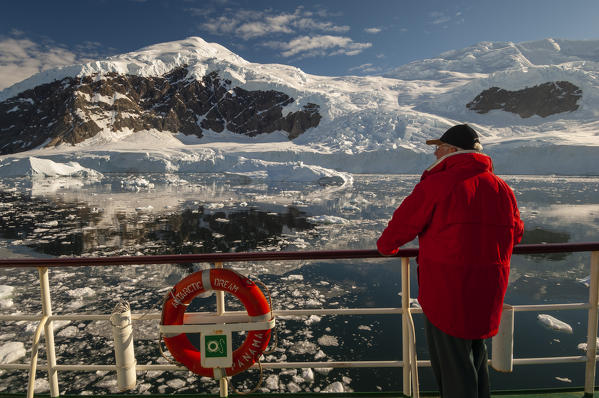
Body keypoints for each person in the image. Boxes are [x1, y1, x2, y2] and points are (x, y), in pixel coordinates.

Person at [377, 124, 524, 398]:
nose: (434, 154)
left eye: (439, 148)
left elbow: (401, 227)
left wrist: (387, 247)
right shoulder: (502, 188)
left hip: (449, 291)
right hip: (488, 289)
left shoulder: (438, 184)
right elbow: (516, 233)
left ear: (453, 151)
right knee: (475, 356)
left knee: (453, 366)